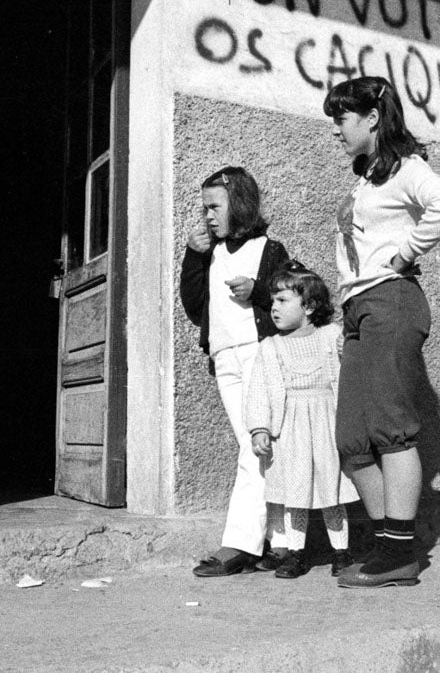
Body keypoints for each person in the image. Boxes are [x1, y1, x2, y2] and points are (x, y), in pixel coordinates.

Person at [322, 76, 440, 589]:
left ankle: (398, 553)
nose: (336, 129)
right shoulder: (369, 178)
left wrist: (405, 255)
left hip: (391, 301)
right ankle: (387, 544)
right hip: (360, 308)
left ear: (372, 117)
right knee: (353, 440)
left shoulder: (406, 168)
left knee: (390, 427)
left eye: (341, 119)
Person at [180, 166, 291, 576]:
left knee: (255, 445)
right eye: (204, 207)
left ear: (239, 204)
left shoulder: (269, 249)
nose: (207, 216)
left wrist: (259, 292)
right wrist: (193, 256)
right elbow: (195, 308)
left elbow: (292, 299)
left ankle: (240, 544)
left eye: (215, 207)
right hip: (226, 358)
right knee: (261, 446)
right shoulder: (211, 254)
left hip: (261, 355)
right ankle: (281, 543)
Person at [245, 261, 359, 579]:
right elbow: (258, 391)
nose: (274, 308)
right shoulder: (270, 347)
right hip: (291, 430)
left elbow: (352, 362)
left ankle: (341, 552)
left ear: (308, 306)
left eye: (283, 300)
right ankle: (296, 553)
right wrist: (259, 428)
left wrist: (347, 343)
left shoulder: (330, 336)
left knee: (331, 489)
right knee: (296, 492)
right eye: (273, 301)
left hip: (327, 425)